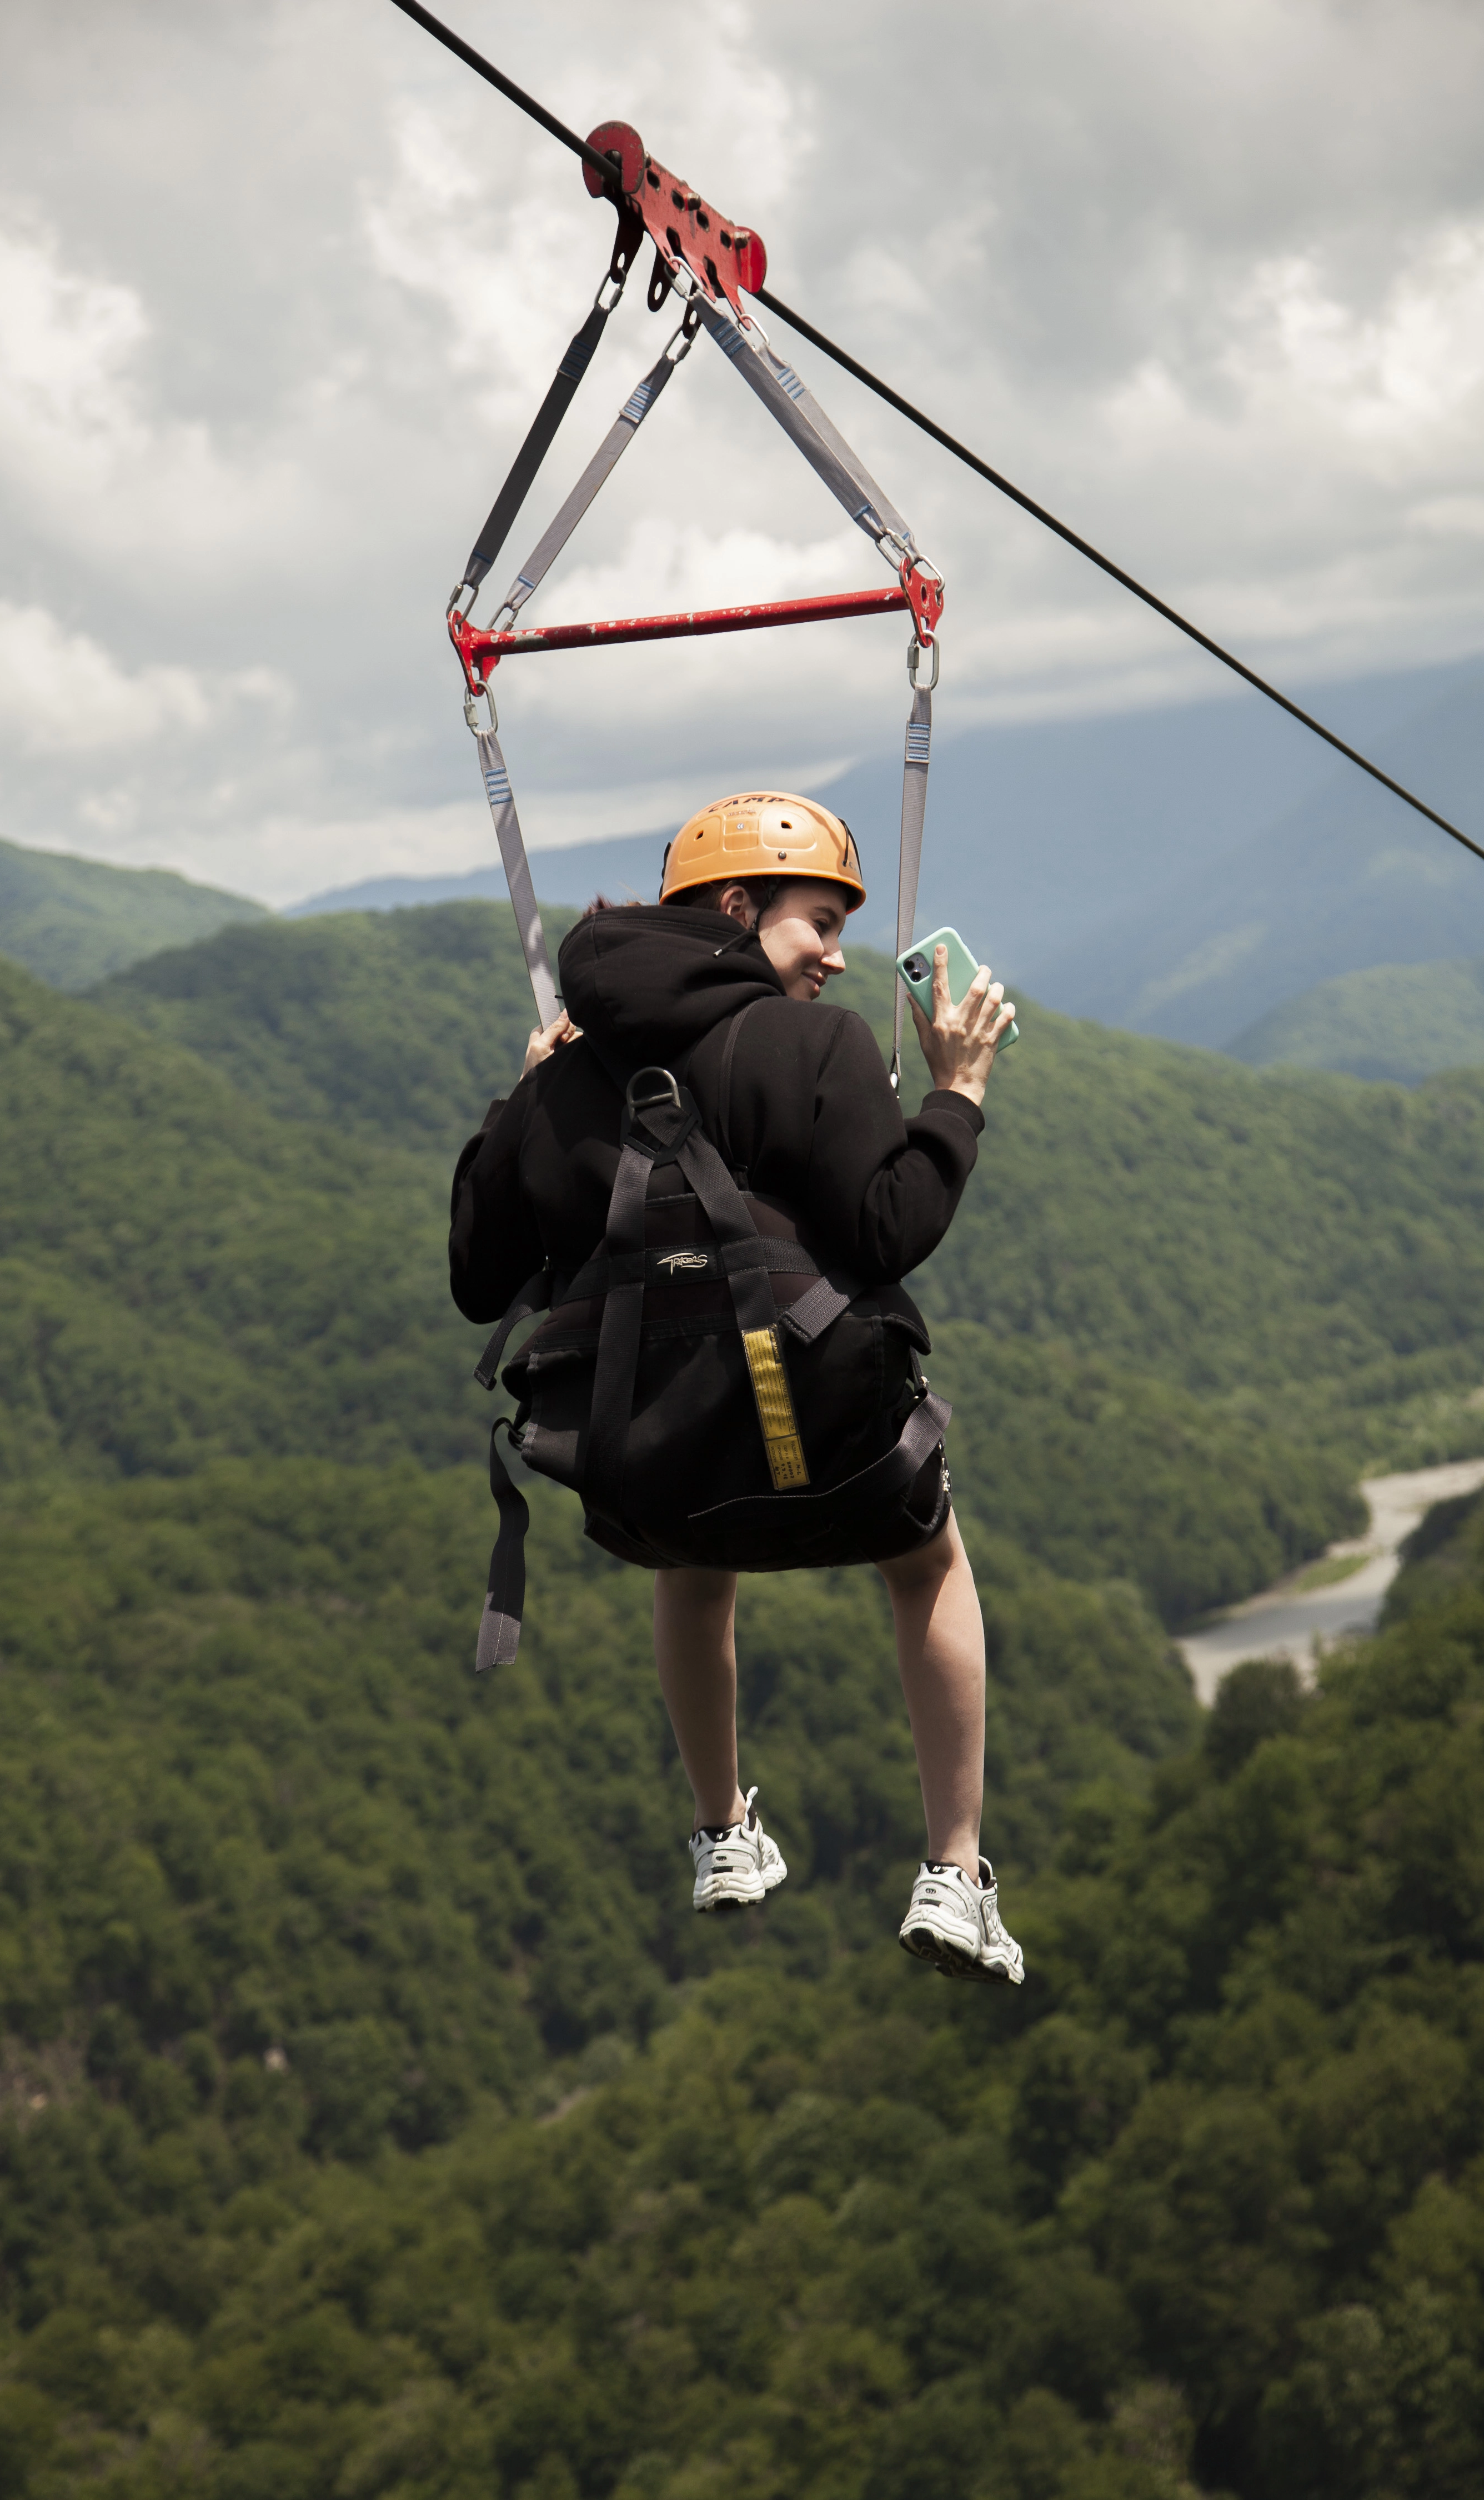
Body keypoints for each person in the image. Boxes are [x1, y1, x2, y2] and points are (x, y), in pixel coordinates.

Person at [449, 791, 1022, 1983]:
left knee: (690, 1559)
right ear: (734, 906)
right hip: (828, 1437)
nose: (834, 952)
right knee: (927, 1563)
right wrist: (957, 1094)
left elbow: (475, 1278)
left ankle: (720, 1832)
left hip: (643, 1470)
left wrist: (516, 1107)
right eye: (817, 919)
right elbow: (886, 1232)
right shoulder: (817, 1046)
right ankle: (957, 1873)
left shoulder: (562, 1080)